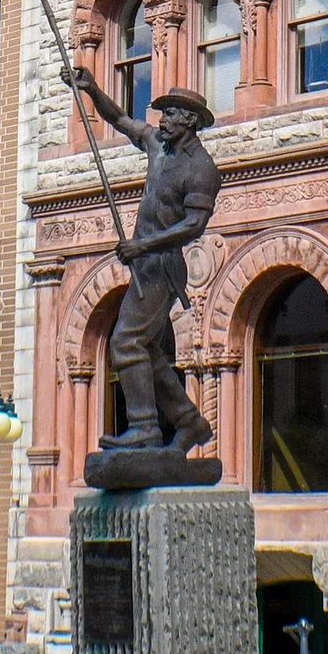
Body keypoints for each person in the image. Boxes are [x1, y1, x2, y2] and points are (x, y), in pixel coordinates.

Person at [66, 65, 222, 453]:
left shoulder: (201, 168)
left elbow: (194, 226)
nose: (161, 120)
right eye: (162, 114)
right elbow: (119, 119)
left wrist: (144, 245)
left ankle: (145, 428)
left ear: (188, 120)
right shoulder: (157, 146)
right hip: (145, 261)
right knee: (148, 352)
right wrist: (92, 90)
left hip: (162, 267)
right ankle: (190, 423)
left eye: (169, 114)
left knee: (126, 343)